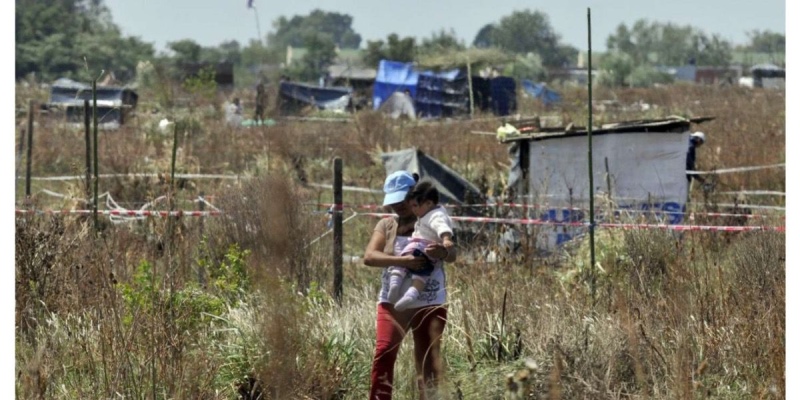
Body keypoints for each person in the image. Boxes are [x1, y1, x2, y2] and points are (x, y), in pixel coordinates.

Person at [363, 170, 457, 400]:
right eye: (392, 202)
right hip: (393, 302)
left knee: (427, 361)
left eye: (402, 200)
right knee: (384, 353)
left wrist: (443, 251)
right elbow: (370, 257)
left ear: (413, 195)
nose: (397, 207)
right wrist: (403, 261)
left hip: (429, 302)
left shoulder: (432, 218)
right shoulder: (387, 225)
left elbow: (452, 254)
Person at [389, 181, 455, 311]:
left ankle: (394, 284)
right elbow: (423, 226)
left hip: (419, 246)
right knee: (422, 274)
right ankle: (412, 294)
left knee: (402, 261)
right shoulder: (428, 213)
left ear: (429, 203)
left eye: (415, 206)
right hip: (430, 253)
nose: (413, 210)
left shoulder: (436, 216)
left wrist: (446, 239)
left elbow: (442, 227)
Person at [686, 131, 706, 198]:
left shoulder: (687, 143)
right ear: (698, 140)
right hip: (685, 176)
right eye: (701, 142)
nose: (700, 145)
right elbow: (689, 163)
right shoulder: (691, 147)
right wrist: (698, 177)